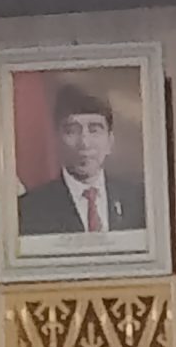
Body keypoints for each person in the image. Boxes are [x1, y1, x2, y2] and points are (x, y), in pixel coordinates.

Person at [17, 83, 145, 236]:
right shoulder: (29, 208)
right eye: (72, 131)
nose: (84, 143)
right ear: (56, 141)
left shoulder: (139, 200)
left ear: (110, 141)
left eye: (94, 130)